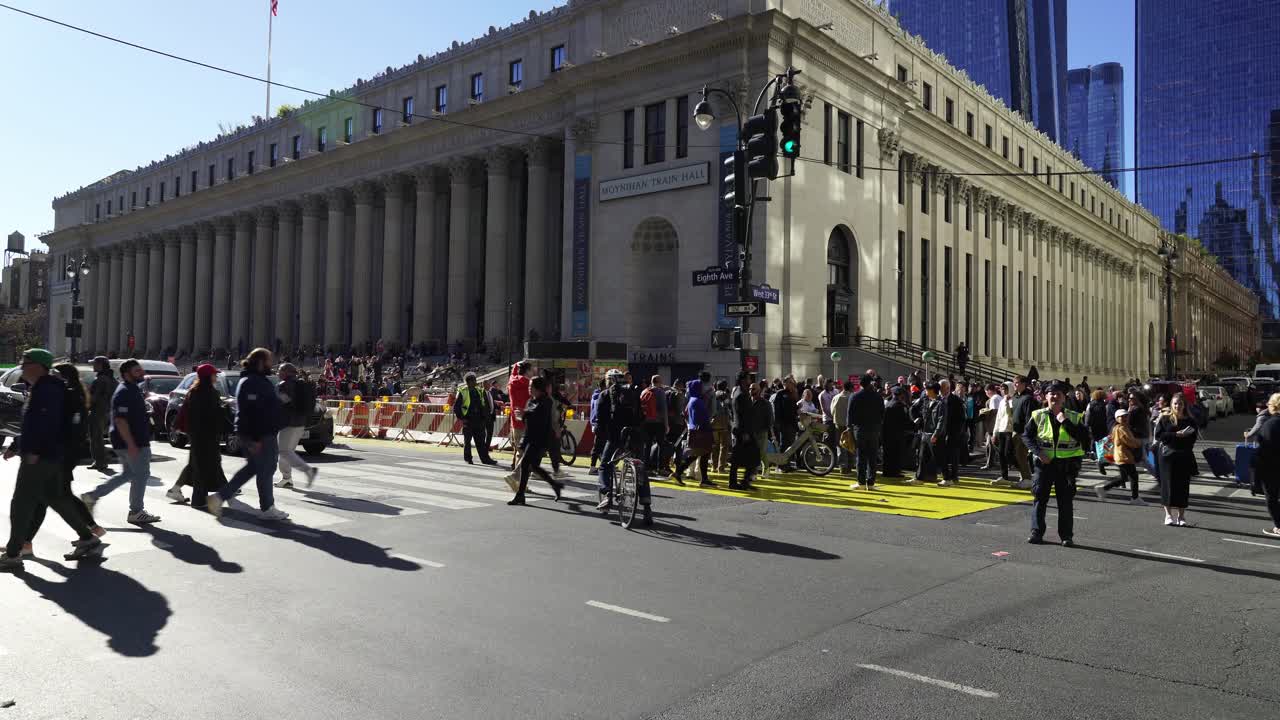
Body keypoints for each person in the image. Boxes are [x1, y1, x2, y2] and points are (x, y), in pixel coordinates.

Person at [1, 349, 103, 571]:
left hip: (41, 457)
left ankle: (13, 553)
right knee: (56, 498)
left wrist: (33, 451)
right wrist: (17, 445)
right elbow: (33, 425)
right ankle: (87, 538)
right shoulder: (43, 388)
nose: (22, 365)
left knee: (21, 503)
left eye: (25, 362)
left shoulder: (46, 390)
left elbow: (45, 424)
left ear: (38, 365)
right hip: (51, 455)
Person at [21, 362, 105, 557]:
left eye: (55, 373)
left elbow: (58, 426)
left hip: (61, 456)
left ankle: (89, 533)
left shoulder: (69, 395)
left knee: (58, 497)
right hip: (60, 454)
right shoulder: (68, 393)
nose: (51, 376)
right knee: (51, 497)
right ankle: (25, 542)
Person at [205, 348, 289, 521]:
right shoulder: (253, 382)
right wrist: (255, 438)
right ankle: (266, 508)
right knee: (264, 470)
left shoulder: (256, 380)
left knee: (254, 469)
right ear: (260, 362)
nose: (271, 364)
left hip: (261, 433)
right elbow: (253, 412)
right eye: (268, 360)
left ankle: (220, 497)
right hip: (261, 434)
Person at [81, 358, 161, 525]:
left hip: (130, 440)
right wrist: (131, 444)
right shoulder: (125, 391)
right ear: (127, 374)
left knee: (128, 474)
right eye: (137, 371)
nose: (142, 373)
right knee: (141, 474)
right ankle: (136, 511)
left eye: (141, 370)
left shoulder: (132, 389)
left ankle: (92, 496)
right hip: (133, 442)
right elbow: (120, 420)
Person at [1022, 382, 1090, 546]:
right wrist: (1039, 452)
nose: (1054, 396)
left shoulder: (1073, 416)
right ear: (1046, 396)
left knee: (1065, 502)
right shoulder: (1038, 415)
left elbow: (1086, 440)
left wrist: (1065, 422)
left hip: (1066, 466)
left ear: (1064, 397)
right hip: (1044, 465)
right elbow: (1026, 436)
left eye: (1058, 393)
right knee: (1039, 499)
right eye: (1051, 393)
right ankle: (1036, 532)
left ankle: (1066, 536)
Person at [175, 364, 228, 511]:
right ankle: (199, 499)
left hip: (197, 434)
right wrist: (223, 410)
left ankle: (201, 496)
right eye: (214, 374)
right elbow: (211, 415)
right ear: (207, 376)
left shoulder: (194, 391)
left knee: (200, 466)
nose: (216, 377)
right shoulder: (210, 393)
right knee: (203, 467)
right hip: (207, 435)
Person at [507, 377, 564, 506]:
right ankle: (554, 485)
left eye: (531, 386)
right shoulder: (532, 400)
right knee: (530, 466)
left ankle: (521, 495)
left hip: (541, 439)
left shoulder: (546, 401)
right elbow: (529, 420)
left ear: (538, 388)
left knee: (527, 465)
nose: (529, 388)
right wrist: (523, 416)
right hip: (531, 437)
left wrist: (524, 414)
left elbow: (539, 416)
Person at [1154, 393, 1198, 527]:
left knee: (1182, 486)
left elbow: (1193, 438)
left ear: (1184, 405)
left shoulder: (1190, 420)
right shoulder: (1165, 419)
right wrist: (1175, 435)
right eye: (1175, 403)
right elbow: (1159, 435)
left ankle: (1181, 516)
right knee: (1167, 485)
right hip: (1167, 457)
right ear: (1171, 405)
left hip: (1184, 456)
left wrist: (1185, 437)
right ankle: (1168, 515)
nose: (1177, 406)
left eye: (1180, 403)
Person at [274, 363, 318, 489]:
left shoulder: (283, 386)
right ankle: (287, 479)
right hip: (300, 422)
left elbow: (281, 403)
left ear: (286, 372)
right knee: (287, 452)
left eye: (280, 370)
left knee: (284, 451)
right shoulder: (301, 384)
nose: (277, 373)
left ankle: (308, 471)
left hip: (288, 423)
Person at [1095, 408, 1145, 505]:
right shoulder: (1122, 428)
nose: (1124, 418)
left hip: (1119, 456)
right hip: (1124, 457)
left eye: (1126, 416)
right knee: (1134, 476)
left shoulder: (1116, 428)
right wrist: (1139, 443)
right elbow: (1130, 442)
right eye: (1121, 416)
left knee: (1124, 478)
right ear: (1117, 418)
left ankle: (1103, 489)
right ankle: (1135, 498)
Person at [672, 378, 715, 488]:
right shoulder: (698, 401)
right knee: (699, 454)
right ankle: (679, 473)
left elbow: (685, 414)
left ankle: (701, 478)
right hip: (702, 431)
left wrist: (690, 424)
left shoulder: (691, 400)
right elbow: (704, 418)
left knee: (697, 454)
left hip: (694, 430)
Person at [729, 375, 766, 490]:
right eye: (748, 379)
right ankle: (737, 482)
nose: (750, 381)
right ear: (743, 380)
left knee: (748, 456)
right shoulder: (741, 395)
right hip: (743, 430)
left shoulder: (741, 393)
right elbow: (742, 416)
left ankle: (743, 481)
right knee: (748, 456)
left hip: (744, 430)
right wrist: (745, 432)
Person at [847, 375, 884, 490]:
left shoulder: (855, 396)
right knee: (872, 457)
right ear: (870, 383)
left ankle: (861, 482)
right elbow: (882, 413)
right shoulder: (878, 396)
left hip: (860, 429)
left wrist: (849, 428)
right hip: (874, 429)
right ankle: (871, 483)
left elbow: (850, 414)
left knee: (861, 456)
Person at [1251, 393, 1280, 538]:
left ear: (1274, 406)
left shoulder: (1270, 423)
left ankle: (1279, 526)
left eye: (1269, 404)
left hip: (1271, 466)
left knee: (1271, 498)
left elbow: (1263, 448)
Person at [454, 372, 498, 466]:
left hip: (479, 420)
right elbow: (457, 407)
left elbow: (482, 404)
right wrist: (462, 418)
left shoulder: (478, 390)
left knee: (481, 441)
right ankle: (468, 458)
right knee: (468, 441)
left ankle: (485, 459)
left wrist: (484, 417)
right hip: (468, 420)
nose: (476, 382)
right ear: (469, 382)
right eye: (474, 380)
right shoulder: (463, 391)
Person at [933, 379, 967, 486]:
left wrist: (955, 433)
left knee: (953, 456)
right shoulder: (937, 400)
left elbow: (961, 419)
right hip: (940, 433)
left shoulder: (956, 401)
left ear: (947, 388)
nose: (939, 390)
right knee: (941, 455)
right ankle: (946, 476)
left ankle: (953, 477)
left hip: (952, 433)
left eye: (941, 388)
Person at [910, 382, 941, 485]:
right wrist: (915, 419)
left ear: (932, 390)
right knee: (921, 456)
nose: (925, 391)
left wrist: (936, 434)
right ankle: (919, 477)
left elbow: (941, 420)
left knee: (936, 456)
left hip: (933, 433)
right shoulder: (924, 398)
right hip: (924, 431)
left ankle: (945, 476)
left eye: (927, 389)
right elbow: (913, 408)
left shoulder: (940, 403)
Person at [87, 355, 114, 471]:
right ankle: (99, 461)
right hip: (105, 411)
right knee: (97, 438)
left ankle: (100, 462)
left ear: (101, 365)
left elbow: (94, 398)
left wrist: (85, 400)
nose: (93, 366)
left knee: (96, 438)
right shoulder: (110, 379)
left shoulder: (100, 380)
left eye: (95, 364)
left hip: (98, 411)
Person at [881, 386, 912, 478]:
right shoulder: (900, 406)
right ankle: (895, 471)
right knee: (897, 453)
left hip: (886, 433)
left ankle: (886, 471)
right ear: (901, 395)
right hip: (898, 433)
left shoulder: (888, 404)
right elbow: (905, 420)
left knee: (887, 453)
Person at [1086, 389, 1111, 475]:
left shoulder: (1090, 405)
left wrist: (1087, 426)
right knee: (1105, 444)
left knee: (1098, 444)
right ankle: (1102, 461)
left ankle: (1101, 460)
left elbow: (1088, 417)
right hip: (1104, 427)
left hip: (1094, 428)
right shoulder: (1105, 405)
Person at [831, 381, 853, 474]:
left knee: (840, 445)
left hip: (838, 424)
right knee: (850, 444)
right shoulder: (852, 397)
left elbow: (832, 411)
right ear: (851, 388)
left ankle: (842, 466)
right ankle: (850, 465)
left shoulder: (836, 397)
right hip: (849, 424)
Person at [710, 380, 732, 474]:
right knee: (724, 446)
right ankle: (721, 467)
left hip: (713, 424)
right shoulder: (725, 395)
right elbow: (728, 408)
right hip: (723, 425)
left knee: (714, 446)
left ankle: (714, 466)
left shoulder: (712, 394)